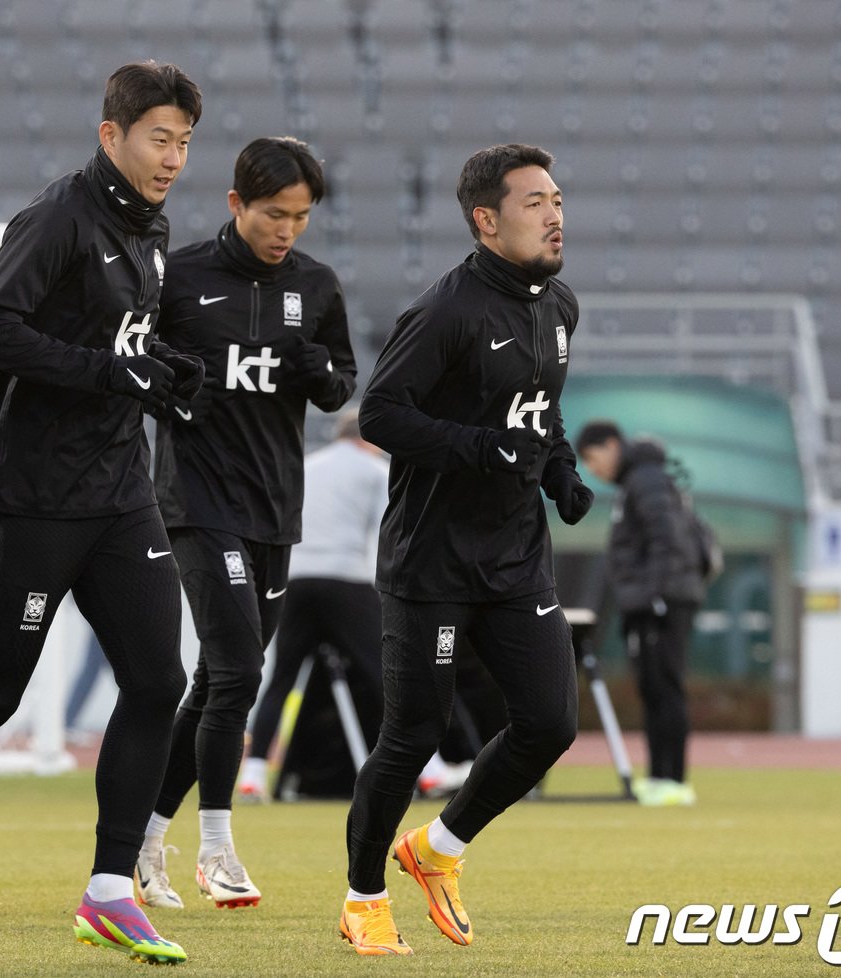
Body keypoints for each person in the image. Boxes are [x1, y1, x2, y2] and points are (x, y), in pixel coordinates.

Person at [0, 61, 204, 967]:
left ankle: (108, 890)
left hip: (120, 495)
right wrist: (109, 370)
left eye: (183, 142)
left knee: (157, 682)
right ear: (112, 136)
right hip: (29, 504)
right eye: (158, 138)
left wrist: (164, 371)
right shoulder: (58, 216)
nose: (172, 157)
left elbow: (122, 347)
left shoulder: (154, 229)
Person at [340, 143, 595, 956]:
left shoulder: (560, 308)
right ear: (487, 221)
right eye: (534, 203)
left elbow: (538, 415)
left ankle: (437, 850)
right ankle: (363, 897)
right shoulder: (445, 311)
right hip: (434, 563)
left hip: (518, 557)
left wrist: (561, 470)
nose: (554, 214)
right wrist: (481, 450)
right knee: (412, 735)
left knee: (550, 724)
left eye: (557, 199)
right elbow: (380, 414)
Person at [138, 136, 357, 910]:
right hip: (198, 501)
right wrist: (171, 384)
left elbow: (339, 390)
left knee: (218, 684)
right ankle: (218, 849)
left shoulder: (316, 286)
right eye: (273, 214)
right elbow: (136, 364)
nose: (286, 230)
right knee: (237, 672)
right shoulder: (182, 276)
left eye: (299, 217)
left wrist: (319, 374)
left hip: (273, 507)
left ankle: (145, 837)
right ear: (236, 204)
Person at [237, 408, 386, 804]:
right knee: (382, 673)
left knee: (282, 679)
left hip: (297, 580)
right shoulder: (374, 471)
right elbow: (388, 531)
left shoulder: (305, 466)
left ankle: (252, 773)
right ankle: (426, 767)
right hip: (347, 579)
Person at [575, 420, 706, 807]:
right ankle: (660, 777)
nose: (593, 469)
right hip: (651, 600)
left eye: (592, 458)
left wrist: (654, 594)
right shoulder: (638, 481)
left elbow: (665, 537)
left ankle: (673, 780)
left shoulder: (646, 479)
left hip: (661, 601)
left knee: (665, 686)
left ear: (612, 445)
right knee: (653, 688)